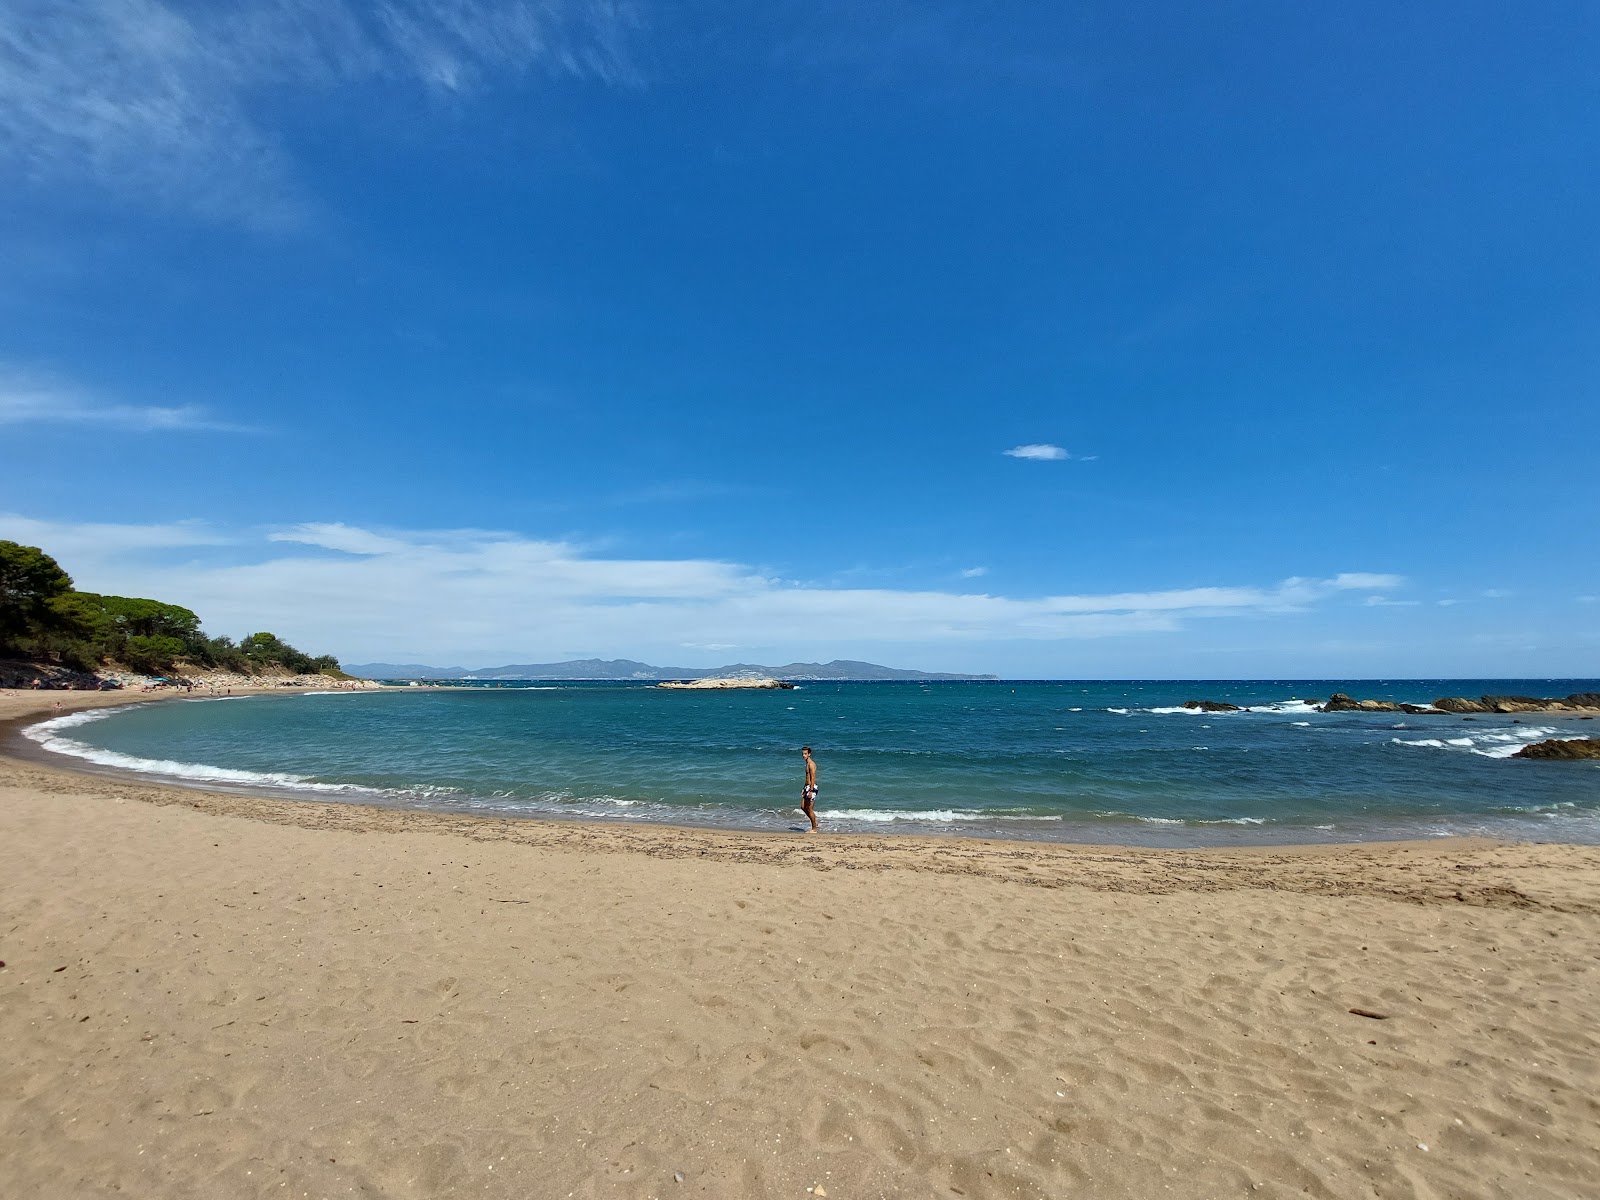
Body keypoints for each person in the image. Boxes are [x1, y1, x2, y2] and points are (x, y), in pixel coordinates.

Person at [800, 745, 819, 831]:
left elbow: (813, 778)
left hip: (812, 787)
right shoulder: (807, 764)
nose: (803, 755)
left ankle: (814, 828)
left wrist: (811, 791)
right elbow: (807, 778)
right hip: (807, 787)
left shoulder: (811, 764)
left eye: (805, 754)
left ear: (809, 754)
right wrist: (804, 788)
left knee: (809, 808)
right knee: (803, 807)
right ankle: (815, 822)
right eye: (803, 754)